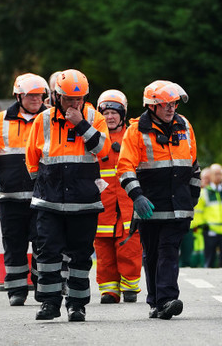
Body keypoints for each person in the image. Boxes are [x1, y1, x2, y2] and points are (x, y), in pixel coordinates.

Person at [25, 69, 111, 322]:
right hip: (49, 201)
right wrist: (42, 184)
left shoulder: (95, 118)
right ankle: (50, 304)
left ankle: (77, 305)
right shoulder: (42, 120)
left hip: (83, 202)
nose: (74, 104)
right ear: (56, 97)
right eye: (69, 99)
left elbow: (103, 150)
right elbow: (31, 160)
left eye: (79, 99)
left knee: (80, 257)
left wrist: (81, 124)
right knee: (48, 255)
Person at [117, 80, 201, 320]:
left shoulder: (185, 126)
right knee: (151, 253)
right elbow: (125, 168)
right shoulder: (135, 131)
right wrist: (137, 197)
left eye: (173, 103)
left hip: (178, 208)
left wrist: (192, 197)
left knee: (168, 250)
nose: (170, 108)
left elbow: (193, 165)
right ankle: (155, 301)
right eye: (165, 104)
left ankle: (167, 299)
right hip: (149, 208)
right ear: (152, 106)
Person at [0, 73, 49, 306]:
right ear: (19, 96)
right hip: (11, 198)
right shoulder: (0, 121)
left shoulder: (51, 119)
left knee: (45, 243)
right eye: (31, 95)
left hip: (44, 197)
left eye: (40, 95)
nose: (36, 99)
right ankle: (16, 290)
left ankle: (42, 283)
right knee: (13, 245)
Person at [94, 89, 142, 304]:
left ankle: (130, 285)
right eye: (105, 112)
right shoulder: (93, 136)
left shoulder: (134, 135)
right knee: (103, 249)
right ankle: (109, 290)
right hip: (102, 205)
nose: (109, 117)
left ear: (123, 114)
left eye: (114, 112)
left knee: (130, 246)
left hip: (128, 203)